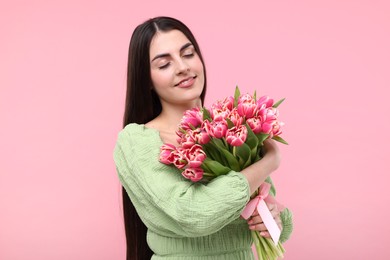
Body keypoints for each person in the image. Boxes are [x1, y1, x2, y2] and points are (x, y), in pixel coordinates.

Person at [113, 16, 293, 260]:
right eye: (164, 64)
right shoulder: (137, 141)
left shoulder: (230, 126)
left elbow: (265, 206)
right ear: (147, 80)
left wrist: (274, 220)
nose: (182, 67)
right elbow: (193, 214)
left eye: (188, 54)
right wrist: (272, 159)